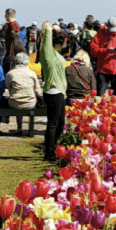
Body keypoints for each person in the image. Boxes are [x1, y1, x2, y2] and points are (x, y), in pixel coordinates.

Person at [37, 24, 68, 158]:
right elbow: (47, 29)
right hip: (52, 91)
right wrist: (53, 28)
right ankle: (49, 152)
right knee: (53, 124)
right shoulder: (47, 52)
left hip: (60, 91)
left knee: (60, 124)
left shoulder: (57, 55)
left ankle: (56, 149)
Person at [88, 18, 116, 96]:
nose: (113, 31)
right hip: (103, 70)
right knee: (100, 95)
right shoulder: (99, 34)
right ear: (107, 26)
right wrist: (106, 50)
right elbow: (93, 51)